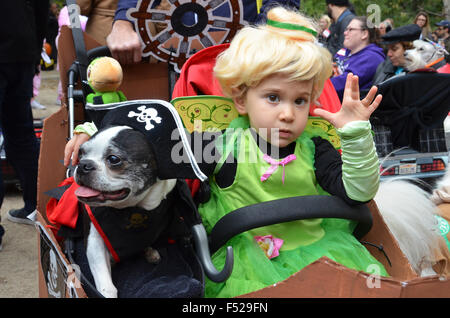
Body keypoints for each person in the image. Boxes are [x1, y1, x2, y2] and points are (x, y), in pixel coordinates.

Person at [0, 1, 48, 231]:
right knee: (21, 133)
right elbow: (42, 9)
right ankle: (34, 206)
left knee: (21, 134)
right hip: (22, 48)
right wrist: (34, 48)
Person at [330, 16, 385, 101]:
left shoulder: (372, 58)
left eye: (350, 29)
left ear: (364, 34)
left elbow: (343, 84)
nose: (345, 33)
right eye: (346, 29)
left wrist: (314, 84)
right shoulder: (345, 51)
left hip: (343, 108)